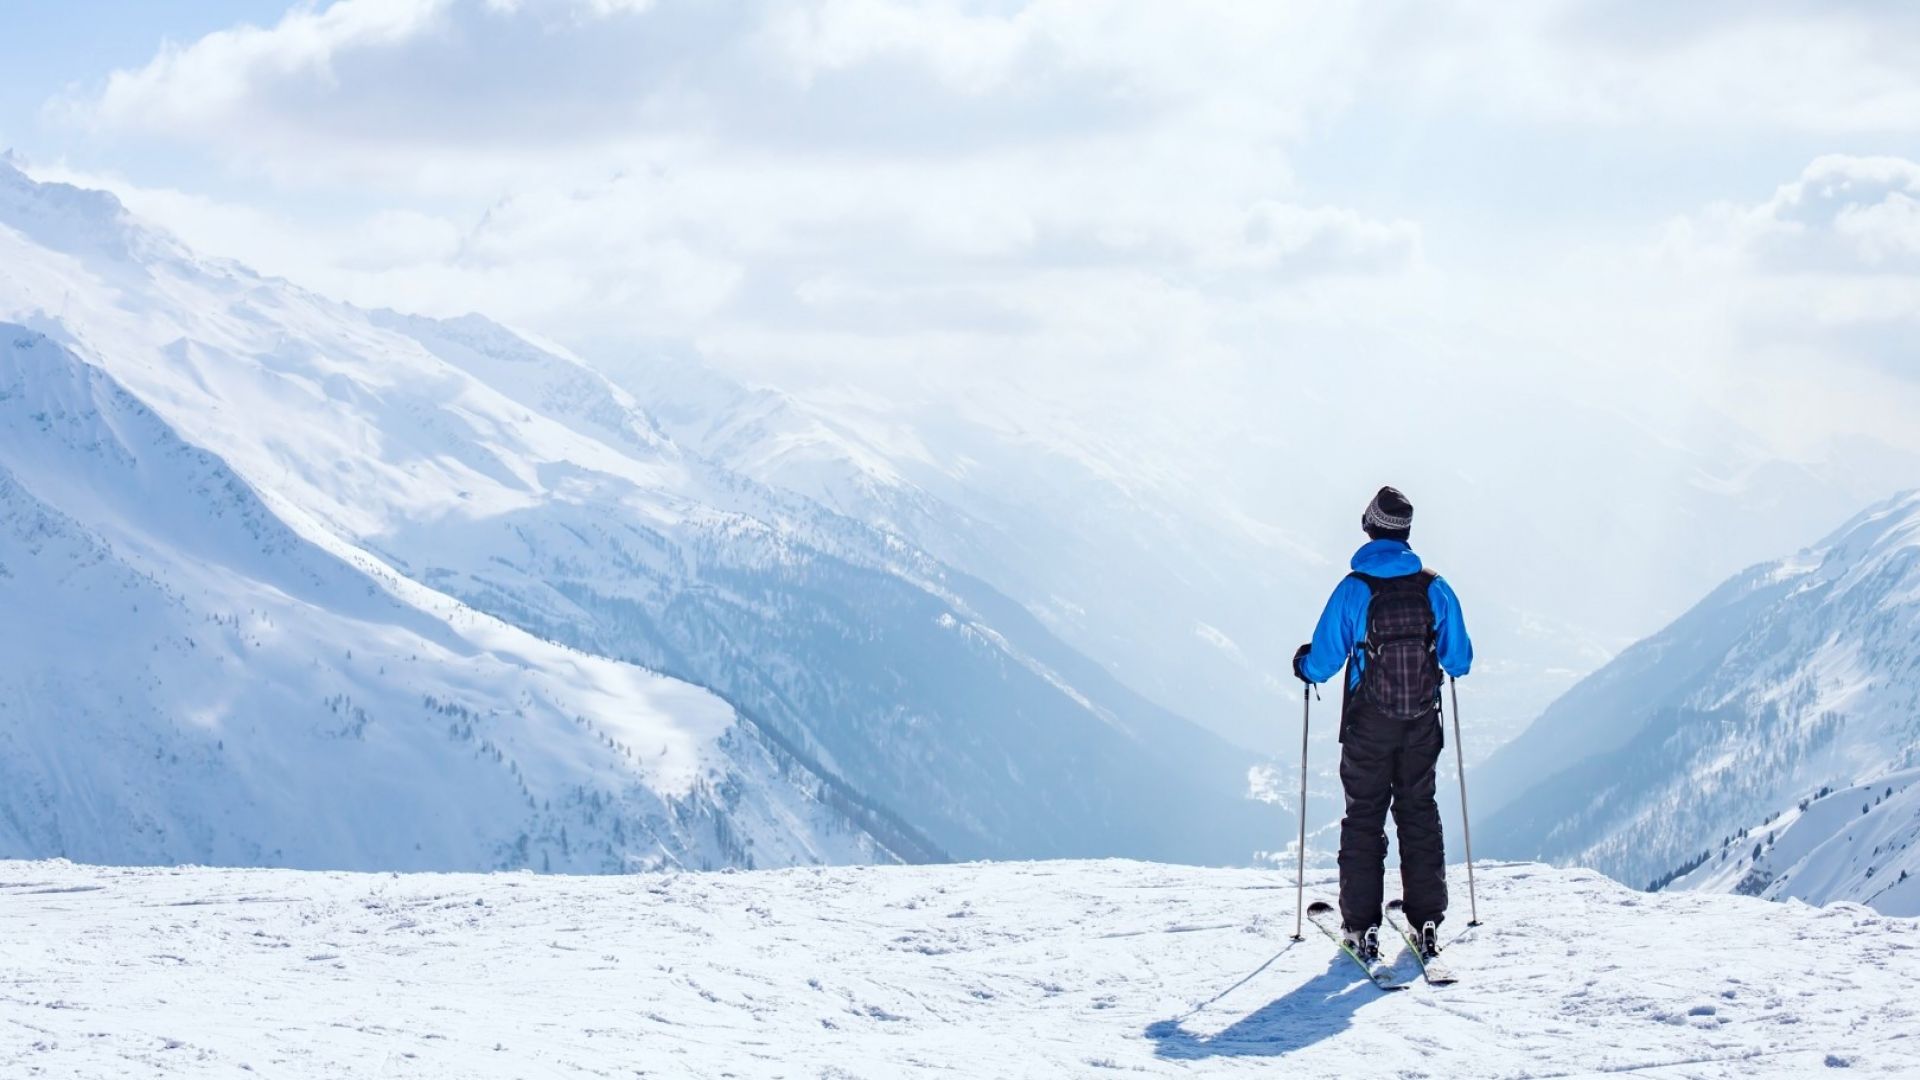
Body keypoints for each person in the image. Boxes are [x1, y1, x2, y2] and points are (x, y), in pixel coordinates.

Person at [1292, 486, 1471, 964]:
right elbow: (1460, 660)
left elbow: (1325, 659)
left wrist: (1304, 665)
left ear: (1370, 528)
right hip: (1420, 722)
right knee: (1418, 813)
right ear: (1407, 533)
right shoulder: (1434, 587)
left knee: (1364, 819)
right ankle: (1427, 918)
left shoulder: (1354, 589)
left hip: (1368, 725)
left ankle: (1361, 927)